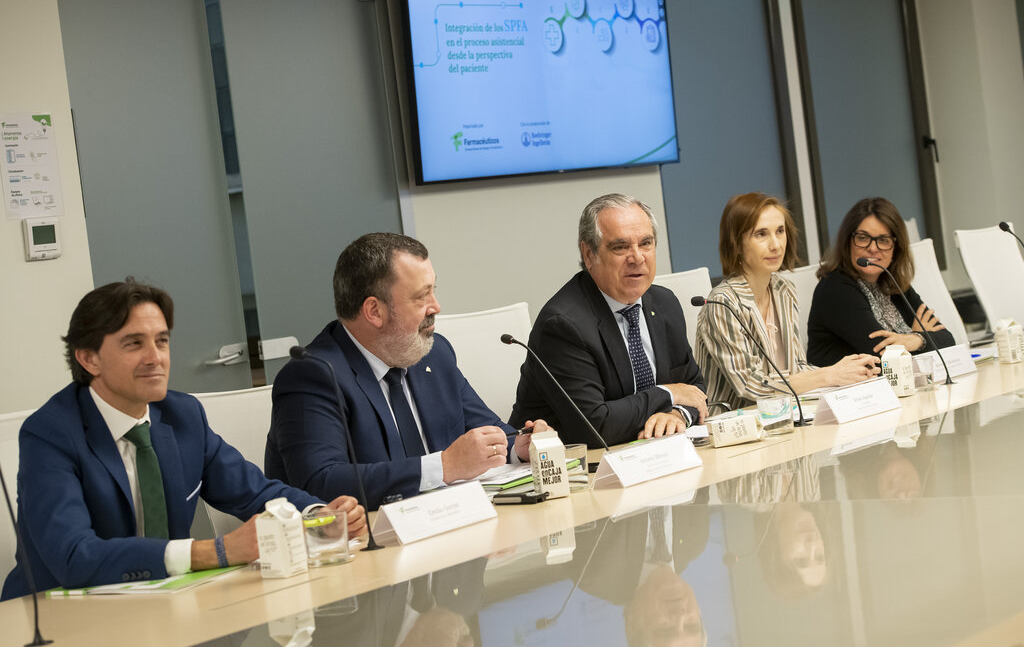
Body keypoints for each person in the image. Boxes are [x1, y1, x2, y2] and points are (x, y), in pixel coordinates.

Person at [1, 279, 366, 600]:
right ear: (89, 359)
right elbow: (73, 558)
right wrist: (216, 552)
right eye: (134, 344)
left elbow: (256, 493)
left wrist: (321, 516)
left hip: (161, 604)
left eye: (161, 341)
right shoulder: (49, 434)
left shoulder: (182, 415)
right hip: (61, 616)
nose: (155, 357)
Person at [266, 233, 545, 510]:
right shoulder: (313, 376)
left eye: (434, 290)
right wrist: (444, 466)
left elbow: (489, 431)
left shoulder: (435, 354)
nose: (436, 306)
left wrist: (517, 447)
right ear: (374, 311)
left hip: (448, 525)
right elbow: (320, 482)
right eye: (421, 296)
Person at [509, 193, 707, 447]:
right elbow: (596, 426)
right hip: (570, 469)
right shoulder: (563, 325)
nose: (637, 257)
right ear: (589, 254)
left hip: (649, 453)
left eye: (645, 243)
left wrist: (676, 413)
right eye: (620, 247)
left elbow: (694, 388)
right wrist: (669, 393)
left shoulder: (664, 303)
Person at [694, 193, 879, 412]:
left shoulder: (784, 290)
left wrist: (849, 370)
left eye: (780, 231)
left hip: (785, 414)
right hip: (736, 425)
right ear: (736, 242)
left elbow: (797, 366)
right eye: (761, 234)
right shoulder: (722, 304)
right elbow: (751, 386)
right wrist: (829, 375)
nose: (775, 245)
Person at [807, 197, 955, 367]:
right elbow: (884, 356)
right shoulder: (835, 289)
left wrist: (914, 339)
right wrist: (920, 337)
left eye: (883, 240)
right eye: (863, 238)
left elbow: (948, 341)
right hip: (847, 391)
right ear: (848, 242)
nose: (873, 248)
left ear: (896, 248)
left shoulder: (892, 283)